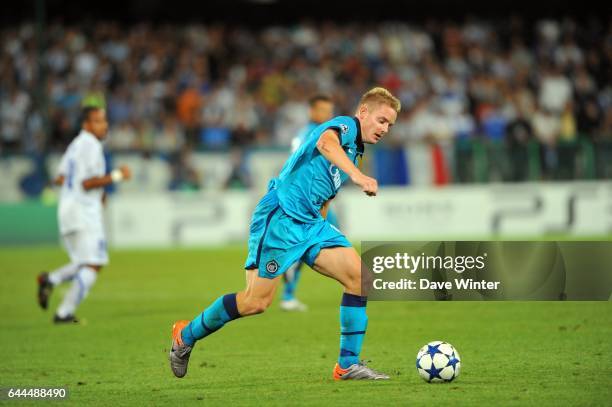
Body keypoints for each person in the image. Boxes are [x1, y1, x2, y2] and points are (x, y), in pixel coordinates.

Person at [169, 87, 400, 380]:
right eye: (382, 120)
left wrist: (319, 236)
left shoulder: (356, 151)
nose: (385, 129)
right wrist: (358, 177)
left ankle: (347, 365)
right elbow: (326, 143)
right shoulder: (343, 126)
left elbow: (327, 195)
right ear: (364, 112)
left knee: (360, 278)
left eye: (390, 125)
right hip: (282, 218)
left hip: (312, 224)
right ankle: (185, 335)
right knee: (256, 302)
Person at [37, 106, 131, 323]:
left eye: (104, 120)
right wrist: (117, 175)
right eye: (98, 121)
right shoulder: (90, 145)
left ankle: (50, 279)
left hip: (69, 209)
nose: (104, 125)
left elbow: (61, 178)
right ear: (86, 125)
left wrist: (91, 193)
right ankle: (63, 313)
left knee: (84, 262)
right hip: (83, 212)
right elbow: (86, 182)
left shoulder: (75, 146)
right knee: (93, 263)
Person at [281, 94, 335, 312]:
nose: (327, 115)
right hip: (306, 201)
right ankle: (287, 289)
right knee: (311, 242)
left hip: (319, 199)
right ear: (312, 112)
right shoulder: (308, 135)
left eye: (330, 110)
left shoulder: (324, 133)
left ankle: (289, 291)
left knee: (316, 241)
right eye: (323, 110)